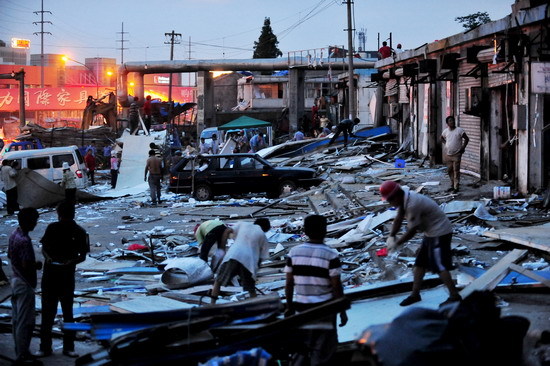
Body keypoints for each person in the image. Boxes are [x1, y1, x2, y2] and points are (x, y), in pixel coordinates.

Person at [380, 180, 461, 307]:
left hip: (440, 232)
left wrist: (397, 243)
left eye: (390, 200)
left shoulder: (413, 204)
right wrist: (392, 235)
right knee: (420, 264)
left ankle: (454, 296)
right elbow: (399, 218)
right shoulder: (404, 198)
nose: (390, 203)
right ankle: (415, 294)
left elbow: (413, 230)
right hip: (431, 233)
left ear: (396, 196)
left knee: (439, 266)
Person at [284, 214, 348, 365]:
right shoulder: (331, 254)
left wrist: (289, 306)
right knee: (323, 351)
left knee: (303, 347)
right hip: (325, 309)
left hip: (302, 308)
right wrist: (342, 310)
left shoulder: (294, 252)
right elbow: (336, 286)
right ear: (325, 230)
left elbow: (289, 283)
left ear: (305, 231)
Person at [37, 201, 89, 359]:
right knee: (55, 312)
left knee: (60, 312)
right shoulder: (54, 228)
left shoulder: (78, 231)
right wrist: (50, 259)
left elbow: (82, 255)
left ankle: (58, 347)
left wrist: (68, 262)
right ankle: (53, 347)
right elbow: (44, 249)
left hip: (60, 274)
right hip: (56, 274)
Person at [8, 207, 42, 365]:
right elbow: (27, 264)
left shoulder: (14, 234)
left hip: (15, 279)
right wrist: (37, 265)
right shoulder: (25, 241)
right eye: (34, 221)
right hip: (24, 282)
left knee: (17, 320)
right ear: (28, 221)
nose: (36, 224)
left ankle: (21, 352)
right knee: (25, 321)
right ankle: (22, 355)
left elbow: (10, 255)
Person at [210, 218, 271, 303]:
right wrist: (254, 274)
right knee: (251, 289)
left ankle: (212, 303)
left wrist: (222, 248)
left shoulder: (243, 224)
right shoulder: (263, 236)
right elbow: (261, 259)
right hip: (249, 262)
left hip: (233, 255)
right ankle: (255, 305)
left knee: (218, 281)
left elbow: (227, 231)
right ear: (266, 228)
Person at [441, 116, 469, 193]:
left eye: (453, 120)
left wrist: (463, 148)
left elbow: (467, 139)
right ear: (447, 123)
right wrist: (445, 144)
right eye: (450, 121)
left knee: (456, 170)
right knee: (449, 170)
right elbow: (442, 138)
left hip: (457, 154)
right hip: (448, 154)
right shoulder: (445, 131)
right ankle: (452, 184)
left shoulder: (459, 130)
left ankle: (456, 187)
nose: (452, 122)